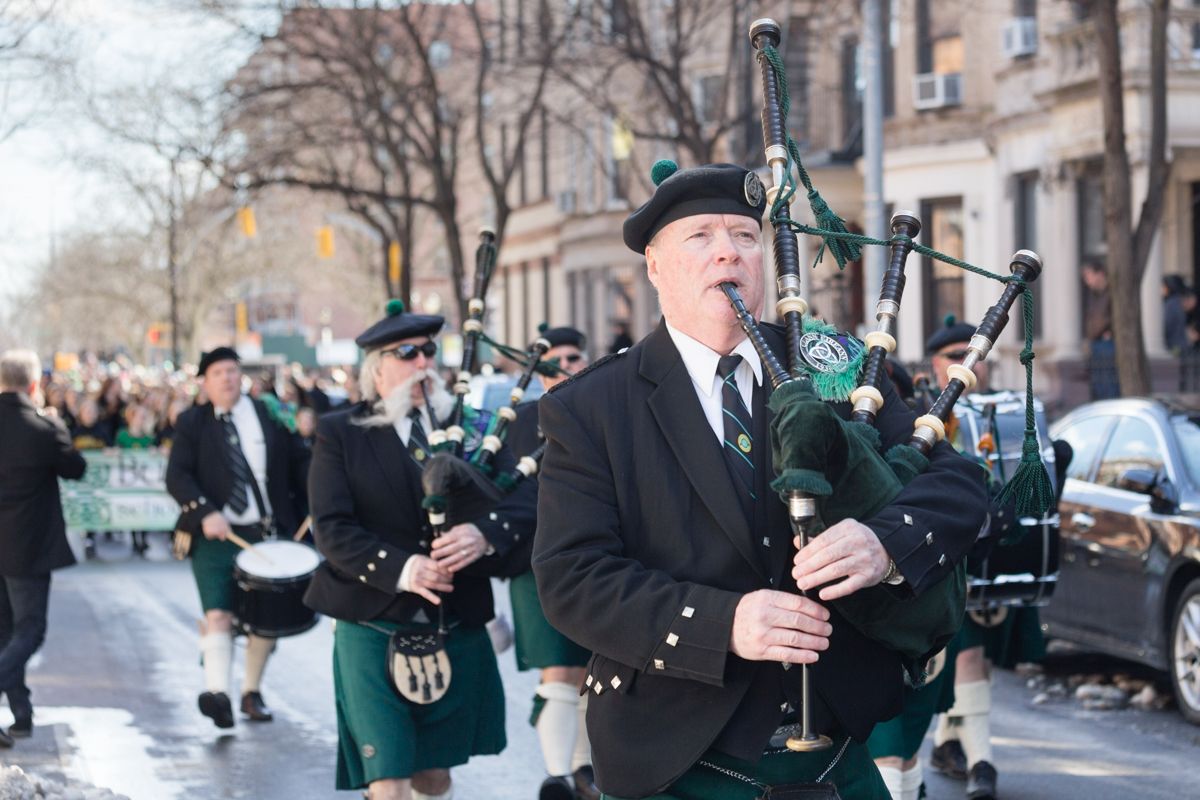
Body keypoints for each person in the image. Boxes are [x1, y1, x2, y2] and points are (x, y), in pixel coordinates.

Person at [532, 162, 988, 800]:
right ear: (654, 267)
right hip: (677, 759)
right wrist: (723, 625)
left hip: (835, 754)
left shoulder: (834, 369)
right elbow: (572, 577)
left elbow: (958, 484)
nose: (729, 250)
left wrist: (885, 542)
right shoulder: (592, 407)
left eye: (746, 236)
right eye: (700, 236)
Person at [303, 302, 535, 800]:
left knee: (434, 777)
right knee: (387, 778)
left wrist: (485, 534)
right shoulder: (341, 432)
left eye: (429, 351)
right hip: (373, 619)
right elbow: (332, 528)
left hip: (453, 621)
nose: (424, 363)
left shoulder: (475, 431)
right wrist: (404, 568)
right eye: (407, 353)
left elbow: (525, 503)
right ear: (377, 369)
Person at [918, 318, 1048, 800]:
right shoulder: (921, 412)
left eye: (976, 358)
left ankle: (950, 742)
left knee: (974, 654)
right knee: (966, 651)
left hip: (996, 550)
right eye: (955, 357)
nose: (969, 367)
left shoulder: (1009, 413)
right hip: (947, 551)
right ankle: (982, 763)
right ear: (935, 364)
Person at [165, 347, 303, 729]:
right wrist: (205, 511)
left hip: (266, 531)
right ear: (205, 382)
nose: (227, 378)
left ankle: (251, 691)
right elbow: (177, 476)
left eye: (232, 371)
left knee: (265, 619)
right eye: (218, 373)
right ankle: (218, 695)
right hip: (214, 535)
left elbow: (297, 464)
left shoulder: (268, 415)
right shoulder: (193, 423)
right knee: (219, 612)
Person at [505, 326, 598, 800]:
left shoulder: (608, 409)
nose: (564, 365)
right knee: (557, 668)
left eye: (574, 355)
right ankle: (557, 775)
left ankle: (583, 769)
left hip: (601, 561)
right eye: (552, 358)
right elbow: (508, 498)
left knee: (592, 668)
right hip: (536, 563)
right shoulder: (518, 422)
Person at [0, 350, 88, 748]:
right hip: (27, 546)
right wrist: (57, 424)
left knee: (7, 636)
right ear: (33, 385)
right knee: (29, 632)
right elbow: (76, 468)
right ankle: (18, 710)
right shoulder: (44, 428)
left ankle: (21, 715)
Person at [1081, 261, 1117, 400]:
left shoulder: (1111, 293)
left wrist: (1110, 332)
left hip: (1106, 343)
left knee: (1108, 384)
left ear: (1100, 274)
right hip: (1095, 343)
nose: (1087, 281)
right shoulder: (1093, 295)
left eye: (1089, 276)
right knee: (1097, 384)